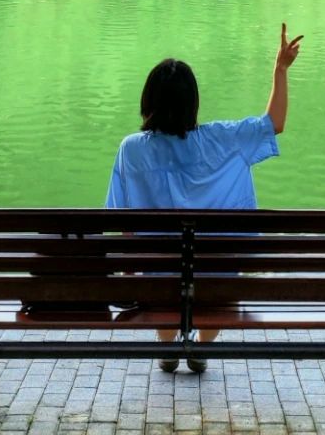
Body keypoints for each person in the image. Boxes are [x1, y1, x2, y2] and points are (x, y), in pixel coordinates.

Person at [105, 22, 303, 374]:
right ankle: (200, 345)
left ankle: (167, 345)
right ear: (193, 103)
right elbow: (275, 122)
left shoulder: (131, 151)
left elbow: (122, 223)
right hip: (219, 279)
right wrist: (280, 69)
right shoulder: (225, 140)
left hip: (156, 281)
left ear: (147, 102)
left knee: (158, 271)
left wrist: (130, 267)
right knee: (221, 272)